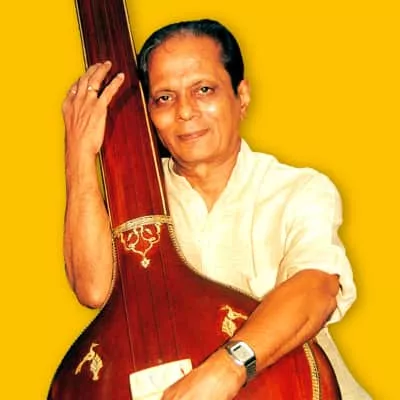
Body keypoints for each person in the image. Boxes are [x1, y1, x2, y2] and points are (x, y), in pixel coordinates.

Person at [63, 18, 370, 399]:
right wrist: (79, 155)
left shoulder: (296, 188)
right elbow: (94, 289)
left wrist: (227, 369)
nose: (185, 111)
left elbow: (317, 289)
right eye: (164, 98)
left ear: (241, 96)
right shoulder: (133, 203)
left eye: (203, 90)